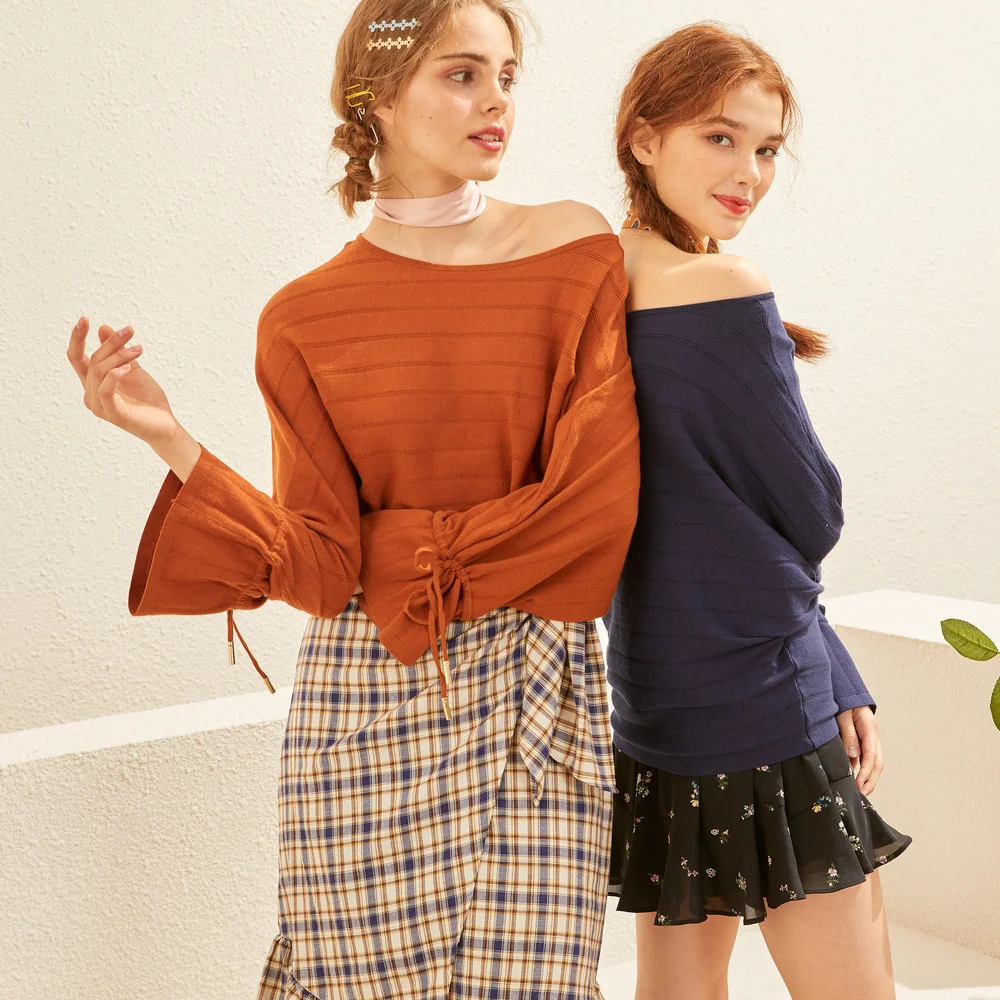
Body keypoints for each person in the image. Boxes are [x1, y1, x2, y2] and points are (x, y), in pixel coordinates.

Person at [65, 2, 641, 997]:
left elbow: (595, 504)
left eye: (506, 76)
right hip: (365, 697)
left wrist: (404, 552)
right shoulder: (302, 318)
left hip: (537, 682)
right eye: (462, 74)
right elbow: (326, 565)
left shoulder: (576, 252)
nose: (496, 100)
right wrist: (167, 436)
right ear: (377, 97)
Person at [603, 23, 911, 1000]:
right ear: (643, 137)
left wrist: (838, 667)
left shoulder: (580, 287)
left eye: (768, 148)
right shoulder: (726, 287)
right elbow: (811, 514)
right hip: (761, 704)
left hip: (653, 707)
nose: (749, 172)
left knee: (677, 988)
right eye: (720, 137)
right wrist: (824, 672)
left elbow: (695, 527)